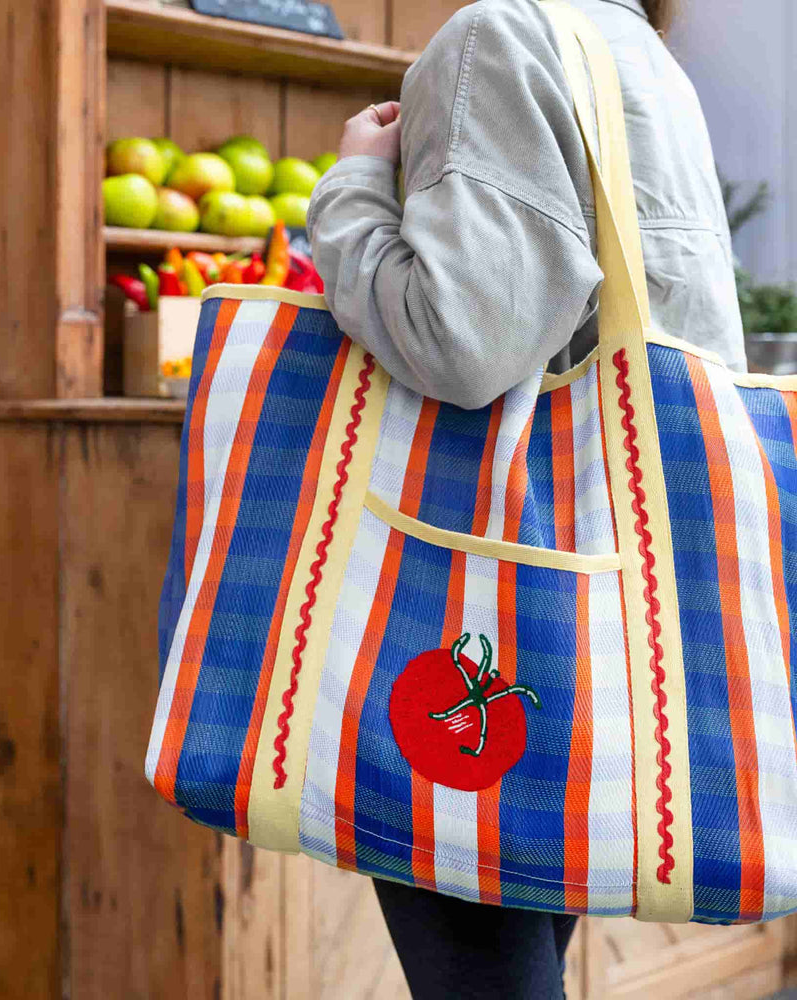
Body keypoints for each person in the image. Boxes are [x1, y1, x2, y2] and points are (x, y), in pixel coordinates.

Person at [307, 0, 743, 997]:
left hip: (474, 610)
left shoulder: (495, 37)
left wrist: (350, 189)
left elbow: (457, 339)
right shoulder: (640, 58)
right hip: (602, 604)